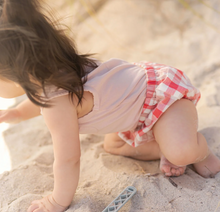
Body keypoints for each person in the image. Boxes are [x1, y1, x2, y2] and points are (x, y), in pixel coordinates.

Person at [0, 0, 220, 212]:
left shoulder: (55, 104)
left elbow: (68, 159)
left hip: (162, 98)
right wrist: (18, 112)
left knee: (182, 152)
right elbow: (38, 96)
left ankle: (201, 153)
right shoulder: (53, 71)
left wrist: (57, 201)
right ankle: (165, 143)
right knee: (113, 146)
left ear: (18, 73)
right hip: (136, 110)